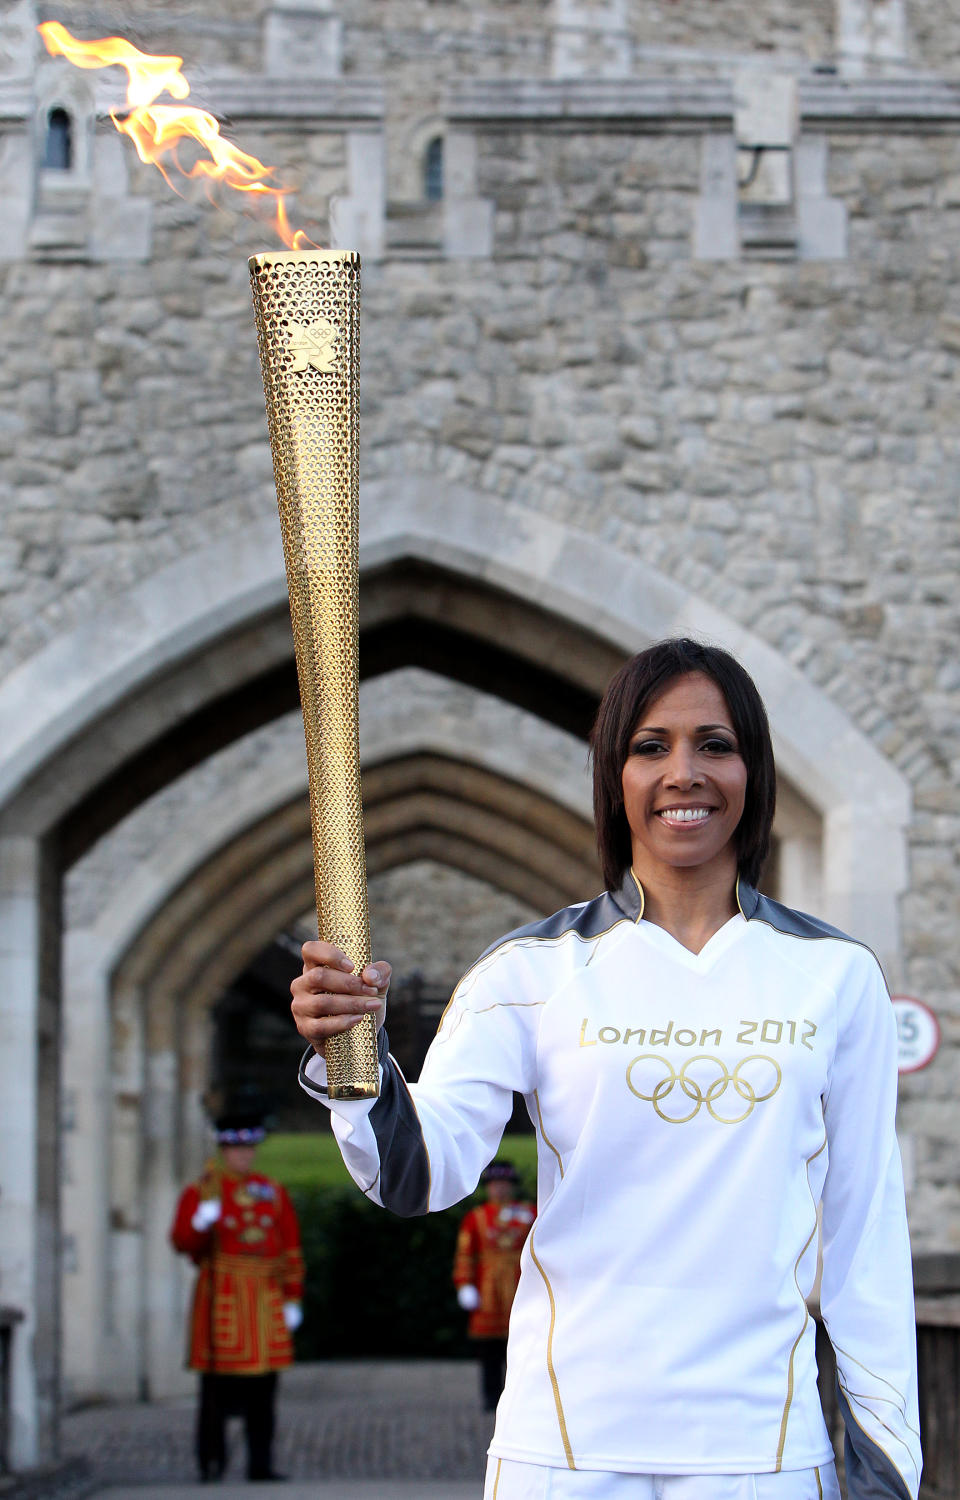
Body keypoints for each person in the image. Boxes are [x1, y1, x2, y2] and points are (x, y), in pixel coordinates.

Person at [291, 637, 921, 1500]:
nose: (684, 773)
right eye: (650, 747)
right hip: (563, 1447)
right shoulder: (531, 971)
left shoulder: (835, 977)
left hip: (759, 1451)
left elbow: (864, 1242)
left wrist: (886, 1468)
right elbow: (418, 1174)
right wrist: (351, 1052)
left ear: (754, 771)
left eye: (716, 745)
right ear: (613, 778)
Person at [170, 1111, 304, 1484]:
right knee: (214, 1391)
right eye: (236, 1149)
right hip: (222, 1299)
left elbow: (290, 1248)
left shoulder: (272, 1192)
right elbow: (184, 1243)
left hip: (263, 1300)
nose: (244, 1156)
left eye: (249, 1149)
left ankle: (260, 1463)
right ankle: (210, 1460)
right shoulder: (203, 1191)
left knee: (264, 1391)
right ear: (224, 1150)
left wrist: (292, 1296)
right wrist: (199, 1223)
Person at [453, 1160, 535, 1411]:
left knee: (524, 1347)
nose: (500, 1189)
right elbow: (465, 1254)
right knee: (489, 1349)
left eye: (505, 1184)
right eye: (495, 1184)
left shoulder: (530, 1213)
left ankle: (520, 1399)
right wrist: (465, 1284)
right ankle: (490, 1397)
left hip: (522, 1286)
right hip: (488, 1290)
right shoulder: (475, 1217)